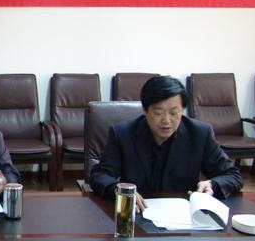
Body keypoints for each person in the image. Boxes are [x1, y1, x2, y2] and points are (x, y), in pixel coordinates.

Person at [89, 75, 242, 212]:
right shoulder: (123, 134)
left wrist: (213, 184)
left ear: (182, 110)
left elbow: (232, 175)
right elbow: (100, 175)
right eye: (158, 113)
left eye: (174, 112)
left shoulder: (200, 134)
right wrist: (120, 191)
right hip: (137, 212)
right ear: (145, 110)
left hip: (182, 217)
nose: (166, 120)